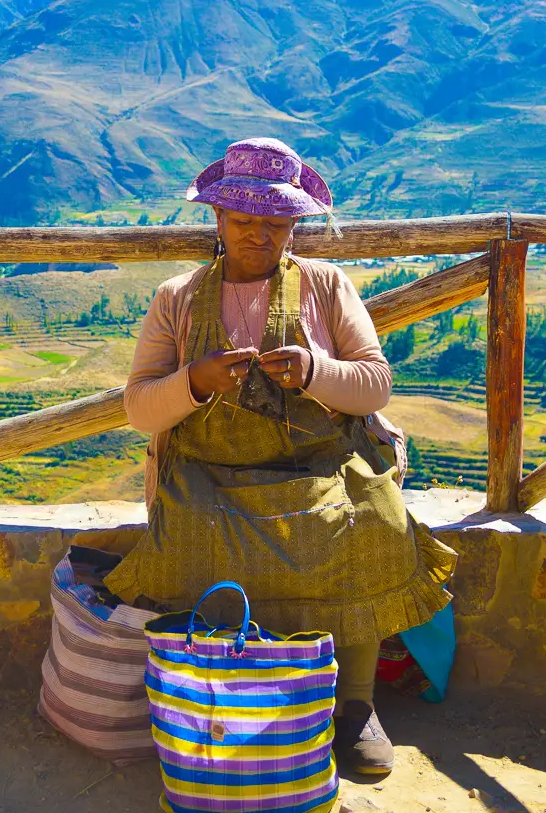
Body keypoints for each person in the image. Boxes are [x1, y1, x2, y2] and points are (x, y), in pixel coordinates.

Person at [104, 137, 457, 775]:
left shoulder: (325, 286)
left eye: (275, 224)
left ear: (294, 223)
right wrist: (195, 383)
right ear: (217, 219)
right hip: (209, 478)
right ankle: (216, 698)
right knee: (187, 541)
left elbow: (375, 382)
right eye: (244, 222)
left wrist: (315, 372)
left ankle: (353, 707)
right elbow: (139, 409)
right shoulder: (177, 299)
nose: (259, 236)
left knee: (371, 527)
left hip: (320, 468)